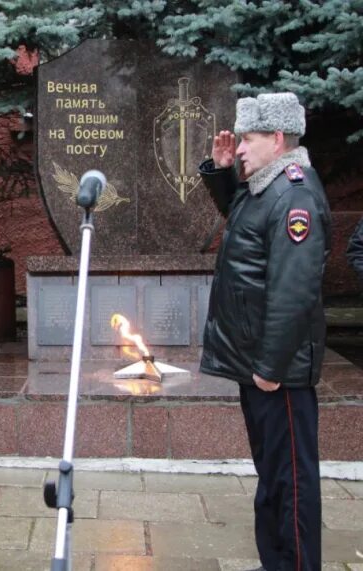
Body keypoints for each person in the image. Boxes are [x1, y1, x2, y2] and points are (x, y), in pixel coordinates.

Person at [199, 92, 330, 571]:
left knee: (291, 483)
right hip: (258, 366)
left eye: (249, 139)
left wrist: (271, 369)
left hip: (279, 373)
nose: (242, 148)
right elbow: (245, 227)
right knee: (273, 477)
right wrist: (222, 173)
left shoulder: (295, 196)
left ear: (278, 140)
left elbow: (293, 293)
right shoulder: (265, 186)